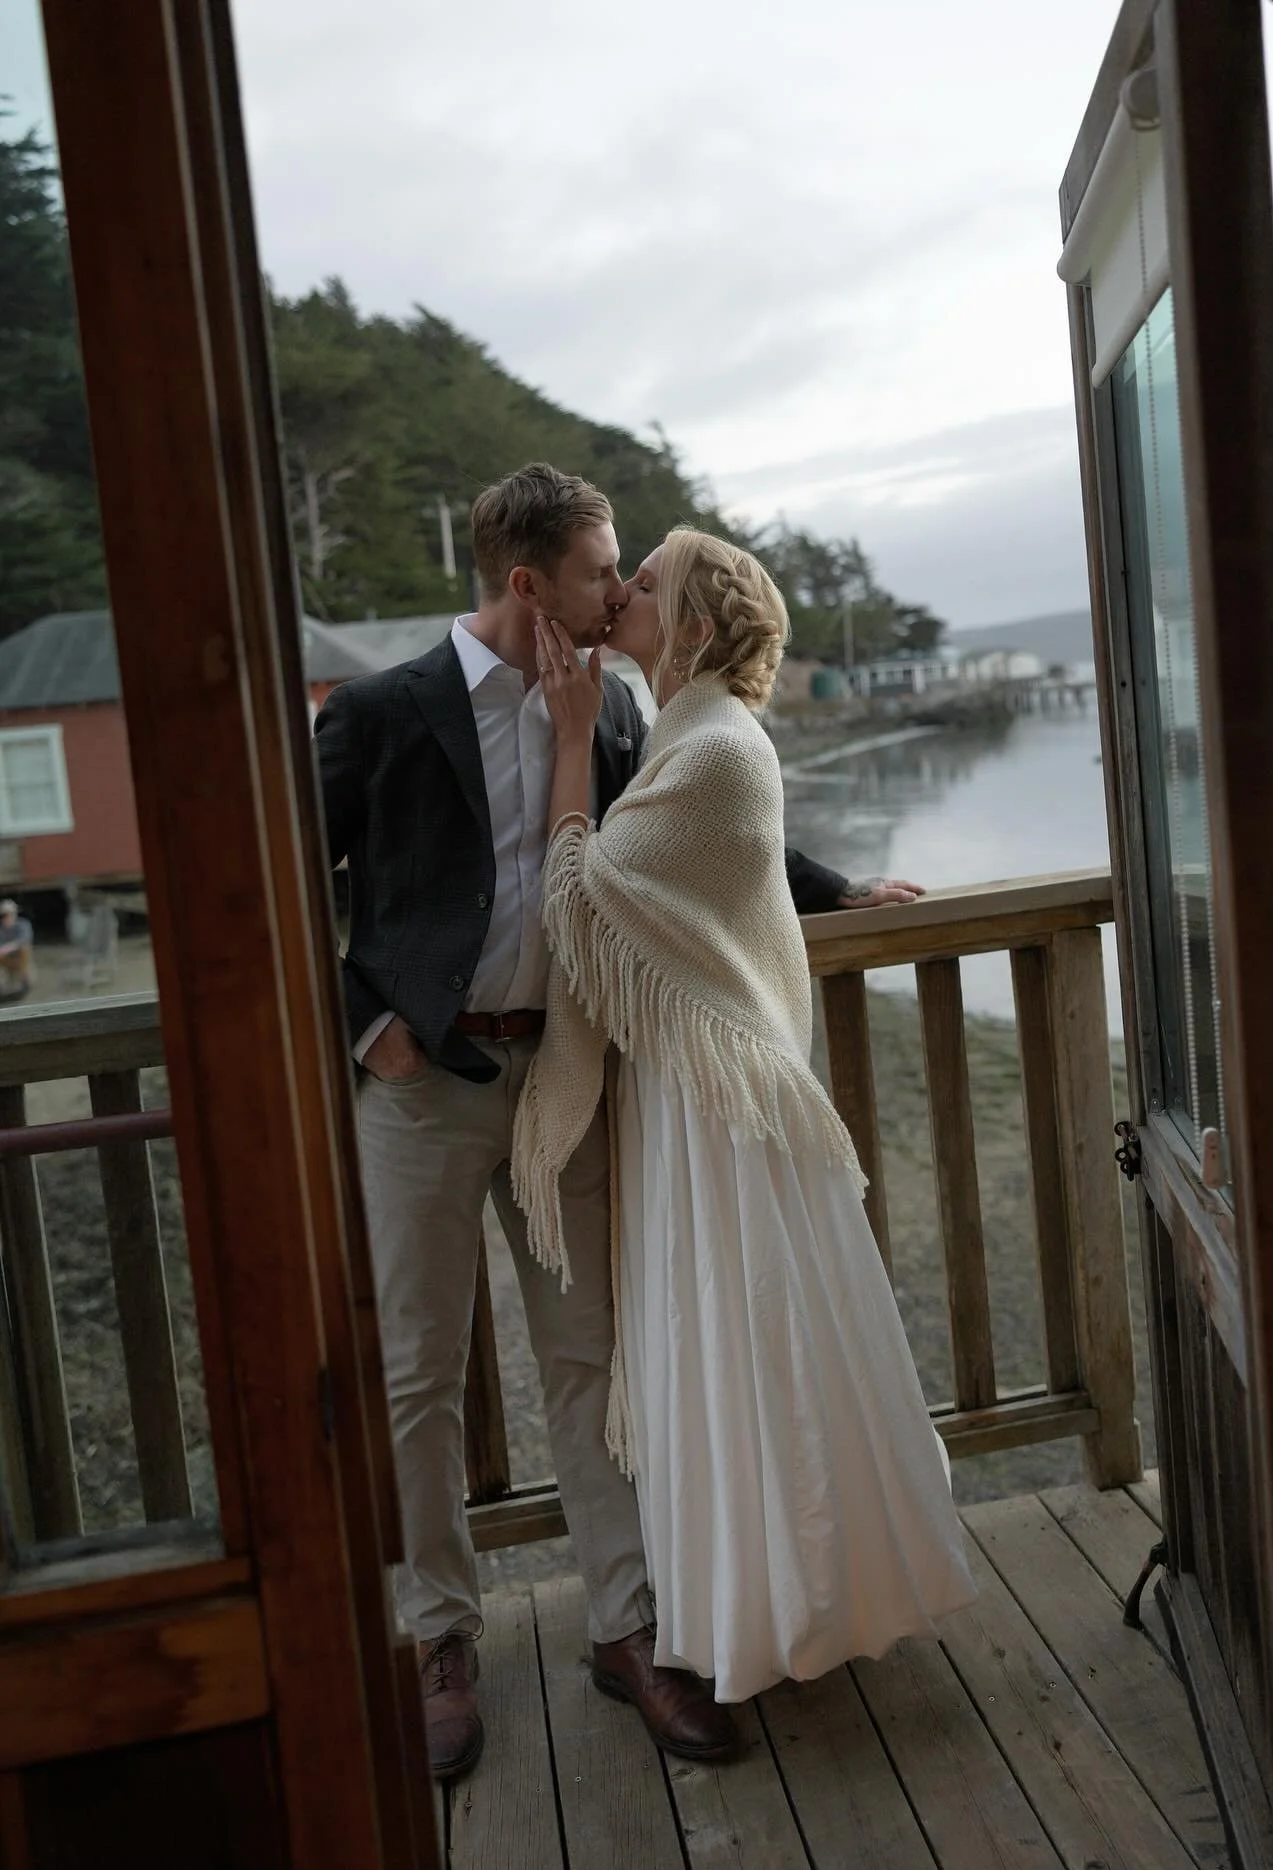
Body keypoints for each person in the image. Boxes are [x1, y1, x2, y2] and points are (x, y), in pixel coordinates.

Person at [314, 465, 922, 1778]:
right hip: (417, 1094)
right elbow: (284, 883)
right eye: (603, 573)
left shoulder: (609, 710)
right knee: (415, 1379)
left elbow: (698, 831)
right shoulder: (381, 712)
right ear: (529, 583)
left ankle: (629, 1629)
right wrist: (369, 1023)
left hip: (566, 1079)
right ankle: (438, 1639)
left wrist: (844, 887)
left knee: (590, 1363)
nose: (620, 590)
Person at [512, 528, 977, 1708]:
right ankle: (752, 1594)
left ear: (698, 625)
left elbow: (581, 899)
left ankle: (792, 1603)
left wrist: (570, 741)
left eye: (647, 582)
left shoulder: (712, 747)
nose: (623, 592)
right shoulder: (686, 730)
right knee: (717, 1343)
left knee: (744, 1343)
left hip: (719, 1110)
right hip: (698, 1091)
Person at [0, 900, 35, 1002]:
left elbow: (24, 941)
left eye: (9, 914)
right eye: (3, 915)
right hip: (4, 961)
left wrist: (6, 949)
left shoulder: (23, 924)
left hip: (20, 960)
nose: (6, 918)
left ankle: (24, 982)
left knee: (25, 949)